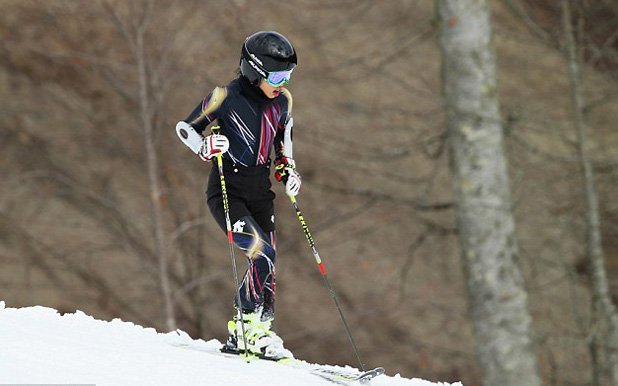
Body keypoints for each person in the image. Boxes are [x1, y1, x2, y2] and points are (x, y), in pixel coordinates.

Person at [175, 31, 301, 359]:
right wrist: (205, 147)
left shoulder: (283, 101)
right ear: (254, 70)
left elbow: (282, 148)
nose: (283, 82)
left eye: (288, 75)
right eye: (276, 76)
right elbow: (185, 128)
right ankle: (242, 328)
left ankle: (262, 329)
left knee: (270, 263)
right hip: (227, 191)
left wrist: (288, 172)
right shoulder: (224, 96)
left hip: (261, 191)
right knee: (262, 255)